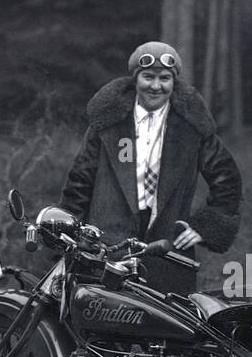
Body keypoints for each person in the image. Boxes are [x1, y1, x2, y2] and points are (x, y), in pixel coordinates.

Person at [60, 41, 242, 296]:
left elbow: (227, 179)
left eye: (164, 78)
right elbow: (80, 182)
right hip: (108, 250)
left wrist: (206, 227)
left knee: (166, 331)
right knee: (101, 328)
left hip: (167, 254)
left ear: (173, 82)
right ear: (136, 79)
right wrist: (71, 236)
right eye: (148, 77)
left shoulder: (192, 126)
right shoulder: (108, 122)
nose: (156, 86)